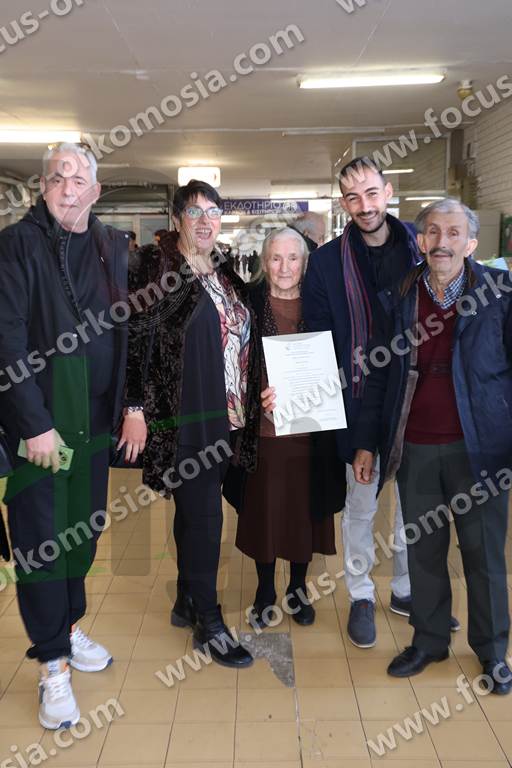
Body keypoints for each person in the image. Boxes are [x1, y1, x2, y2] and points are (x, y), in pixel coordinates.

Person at [353, 199, 512, 693]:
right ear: (421, 241)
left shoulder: (501, 293)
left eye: (454, 232)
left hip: (480, 448)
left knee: (483, 554)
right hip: (416, 445)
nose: (443, 242)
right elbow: (379, 376)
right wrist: (366, 443)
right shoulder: (399, 296)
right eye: (434, 232)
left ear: (471, 243)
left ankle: (493, 652)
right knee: (423, 549)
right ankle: (429, 639)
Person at [0, 142, 129, 728]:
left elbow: (125, 331)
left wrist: (129, 405)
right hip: (44, 426)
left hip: (94, 419)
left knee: (83, 533)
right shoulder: (16, 246)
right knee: (43, 546)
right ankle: (52, 664)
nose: (68, 189)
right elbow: (7, 342)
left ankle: (69, 628)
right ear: (43, 187)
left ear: (95, 191)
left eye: (79, 180)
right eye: (58, 178)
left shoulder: (109, 245)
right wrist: (34, 424)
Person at [120, 179, 259, 668]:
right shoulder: (157, 269)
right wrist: (133, 408)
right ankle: (209, 623)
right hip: (186, 417)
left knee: (192, 513)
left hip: (230, 415)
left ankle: (185, 598)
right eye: (194, 212)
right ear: (177, 218)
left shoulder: (222, 270)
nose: (205, 221)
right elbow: (134, 341)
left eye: (213, 212)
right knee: (204, 518)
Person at [303, 157, 423, 649]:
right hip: (356, 400)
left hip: (415, 398)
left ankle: (406, 590)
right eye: (353, 198)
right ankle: (360, 595)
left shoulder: (420, 247)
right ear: (343, 203)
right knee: (360, 503)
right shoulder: (327, 262)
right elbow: (316, 340)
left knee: (413, 504)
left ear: (388, 192)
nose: (365, 205)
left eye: (372, 193)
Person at [224, 228, 345, 628]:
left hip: (311, 433)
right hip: (264, 435)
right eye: (276, 258)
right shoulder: (247, 303)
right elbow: (231, 362)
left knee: (303, 514)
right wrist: (253, 392)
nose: (284, 267)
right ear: (264, 261)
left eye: (293, 258)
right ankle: (264, 590)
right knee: (265, 515)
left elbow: (341, 358)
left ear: (305, 263)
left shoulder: (321, 304)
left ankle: (297, 587)